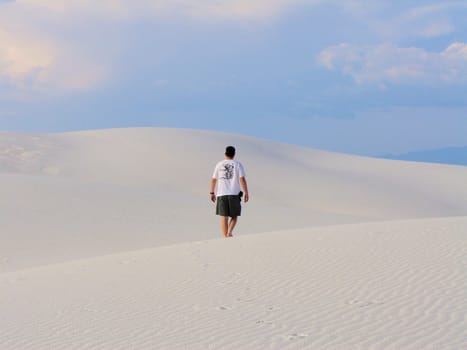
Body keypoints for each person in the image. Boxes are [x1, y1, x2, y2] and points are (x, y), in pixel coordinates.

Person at [210, 146, 249, 238]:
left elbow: (213, 180)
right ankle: (229, 232)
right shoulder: (238, 164)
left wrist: (212, 192)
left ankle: (225, 236)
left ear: (225, 153)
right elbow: (242, 179)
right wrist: (246, 192)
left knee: (224, 216)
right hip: (234, 194)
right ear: (234, 154)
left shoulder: (219, 164)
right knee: (235, 215)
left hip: (221, 194)